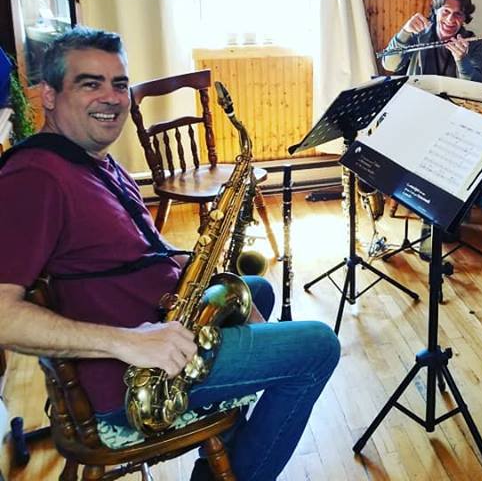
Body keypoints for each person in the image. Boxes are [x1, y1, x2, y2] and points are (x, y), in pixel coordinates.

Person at [0, 27, 340, 481]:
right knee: (318, 346)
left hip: (156, 324)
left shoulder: (91, 160)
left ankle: (221, 464)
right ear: (48, 95)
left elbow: (129, 251)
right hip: (128, 379)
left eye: (119, 84)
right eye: (89, 83)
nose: (111, 98)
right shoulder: (36, 177)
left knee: (254, 291)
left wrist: (189, 265)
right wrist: (128, 342)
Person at [380, 0, 482, 82]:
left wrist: (462, 61)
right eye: (446, 11)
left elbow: (476, 85)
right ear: (436, 10)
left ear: (465, 18)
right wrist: (404, 32)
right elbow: (389, 65)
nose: (450, 19)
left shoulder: (474, 43)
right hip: (417, 94)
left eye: (458, 14)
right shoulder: (418, 32)